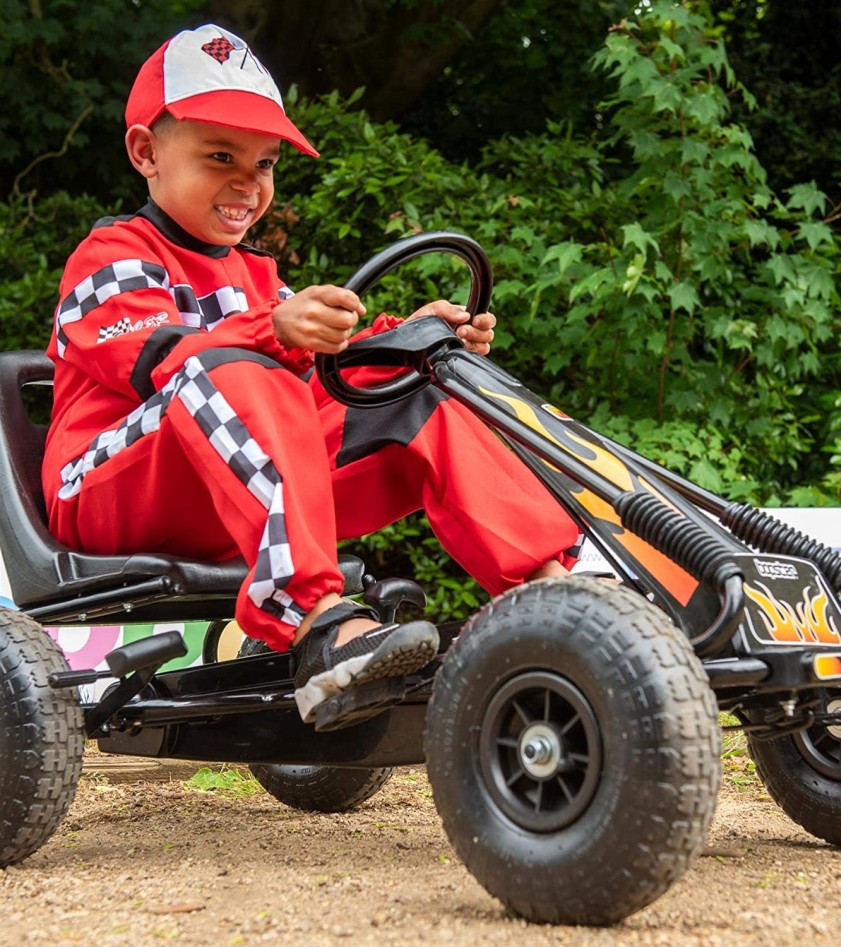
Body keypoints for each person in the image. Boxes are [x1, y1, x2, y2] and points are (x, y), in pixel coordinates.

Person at [42, 24, 580, 730]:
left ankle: (561, 608)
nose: (247, 183)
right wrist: (274, 330)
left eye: (263, 164)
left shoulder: (258, 275)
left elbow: (316, 383)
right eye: (220, 156)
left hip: (234, 488)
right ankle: (317, 621)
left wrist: (409, 340)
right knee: (232, 367)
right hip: (111, 492)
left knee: (416, 389)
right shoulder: (112, 255)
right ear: (146, 151)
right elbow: (160, 362)